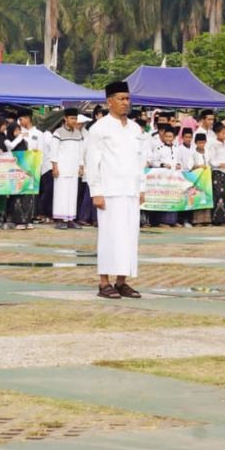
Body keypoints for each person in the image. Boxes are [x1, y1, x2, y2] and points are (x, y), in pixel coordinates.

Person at [85, 81, 145, 299]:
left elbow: (141, 160)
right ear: (109, 101)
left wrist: (142, 187)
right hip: (109, 191)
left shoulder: (135, 128)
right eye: (121, 99)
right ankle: (104, 282)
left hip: (130, 190)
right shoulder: (99, 129)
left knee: (129, 237)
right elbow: (92, 162)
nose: (125, 103)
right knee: (110, 237)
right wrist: (96, 191)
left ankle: (122, 281)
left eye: (127, 99)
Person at [50, 108, 85, 229]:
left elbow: (80, 151)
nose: (74, 121)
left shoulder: (78, 133)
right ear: (65, 118)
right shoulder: (58, 132)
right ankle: (60, 219)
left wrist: (81, 166)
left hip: (74, 168)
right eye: (72, 118)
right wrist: (54, 167)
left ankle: (71, 219)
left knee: (72, 194)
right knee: (61, 193)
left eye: (75, 118)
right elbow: (53, 151)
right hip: (62, 168)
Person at [147, 124, 182, 228]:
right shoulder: (159, 149)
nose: (168, 138)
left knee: (174, 197)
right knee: (164, 198)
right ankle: (162, 221)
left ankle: (173, 221)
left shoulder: (177, 149)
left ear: (174, 138)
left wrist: (179, 165)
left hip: (175, 178)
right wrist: (162, 165)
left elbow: (180, 161)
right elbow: (153, 162)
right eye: (166, 136)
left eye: (170, 137)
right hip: (163, 179)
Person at [207, 121, 225, 225]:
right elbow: (210, 159)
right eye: (223, 133)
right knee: (219, 194)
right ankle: (217, 219)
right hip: (218, 172)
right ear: (217, 133)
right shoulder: (213, 144)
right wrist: (219, 164)